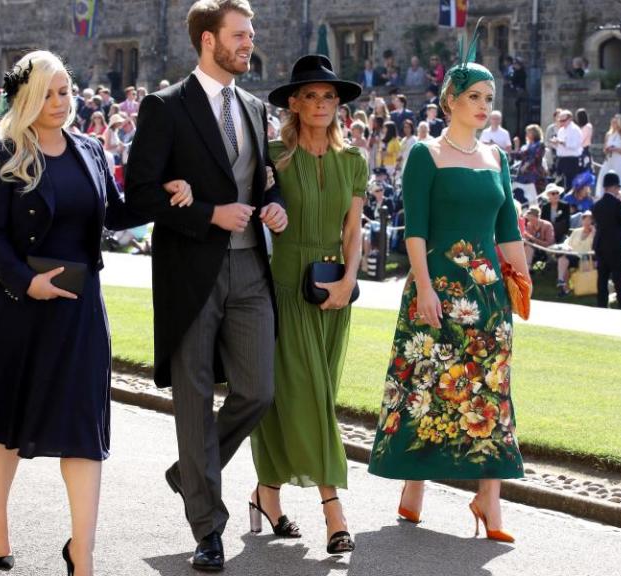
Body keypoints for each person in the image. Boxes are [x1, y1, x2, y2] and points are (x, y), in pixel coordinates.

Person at [0, 51, 187, 576]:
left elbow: (117, 212)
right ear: (27, 97)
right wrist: (26, 283)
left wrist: (164, 194)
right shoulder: (1, 156)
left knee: (82, 427)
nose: (61, 102)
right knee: (6, 419)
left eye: (66, 91)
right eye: (50, 93)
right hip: (17, 308)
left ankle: (83, 551)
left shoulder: (91, 149)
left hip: (80, 313)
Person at [124, 1, 288, 571]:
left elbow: (264, 180)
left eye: (251, 34)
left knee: (258, 391)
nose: (249, 43)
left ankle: (189, 472)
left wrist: (275, 207)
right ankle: (207, 528)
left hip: (249, 270)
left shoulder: (255, 107)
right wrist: (208, 215)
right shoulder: (164, 107)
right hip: (189, 271)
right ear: (207, 40)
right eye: (240, 34)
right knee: (192, 402)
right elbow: (138, 195)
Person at [368, 26, 528, 544]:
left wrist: (521, 281)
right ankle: (413, 486)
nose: (484, 106)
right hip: (434, 289)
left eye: (489, 98)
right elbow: (414, 230)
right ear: (451, 101)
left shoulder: (498, 158)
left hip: (487, 297)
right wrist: (425, 288)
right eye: (475, 97)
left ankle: (489, 499)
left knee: (491, 392)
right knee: (426, 387)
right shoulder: (424, 153)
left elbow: (507, 229)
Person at [247, 53, 365, 556]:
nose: (321, 104)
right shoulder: (272, 155)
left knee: (302, 396)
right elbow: (254, 211)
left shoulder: (353, 161)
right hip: (284, 284)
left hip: (336, 287)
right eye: (311, 96)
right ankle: (333, 512)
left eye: (329, 96)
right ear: (293, 103)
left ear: (338, 104)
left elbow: (354, 231)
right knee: (310, 396)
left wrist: (347, 283)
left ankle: (265, 496)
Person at [591, 171, 621, 310]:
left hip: (601, 244)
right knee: (619, 277)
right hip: (616, 245)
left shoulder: (597, 205)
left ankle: (602, 304)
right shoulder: (618, 204)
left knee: (602, 277)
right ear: (614, 187)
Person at [556, 211, 595, 296]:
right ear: (582, 221)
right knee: (562, 258)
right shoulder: (576, 231)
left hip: (585, 257)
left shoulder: (594, 233)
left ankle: (562, 283)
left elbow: (595, 247)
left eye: (589, 220)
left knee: (563, 259)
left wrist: (593, 232)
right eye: (585, 220)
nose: (587, 222)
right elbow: (568, 244)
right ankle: (563, 284)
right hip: (572, 254)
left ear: (592, 221)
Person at [596, 113, 621, 199]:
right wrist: (607, 149)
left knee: (619, 179)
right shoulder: (608, 134)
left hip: (619, 160)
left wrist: (616, 149)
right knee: (603, 176)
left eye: (616, 122)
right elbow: (604, 149)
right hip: (609, 160)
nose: (614, 123)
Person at [510, 124, 547, 204]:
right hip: (524, 174)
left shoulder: (540, 144)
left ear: (534, 133)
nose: (526, 134)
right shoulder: (528, 145)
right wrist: (514, 147)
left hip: (534, 174)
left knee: (535, 196)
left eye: (528, 132)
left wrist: (527, 164)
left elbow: (536, 157)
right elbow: (520, 155)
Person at [551, 109, 583, 188]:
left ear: (570, 119)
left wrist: (561, 142)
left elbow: (575, 145)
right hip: (561, 159)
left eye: (563, 120)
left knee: (570, 184)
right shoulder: (561, 130)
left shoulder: (575, 130)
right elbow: (559, 146)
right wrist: (555, 143)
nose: (561, 122)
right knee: (559, 183)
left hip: (571, 160)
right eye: (560, 120)